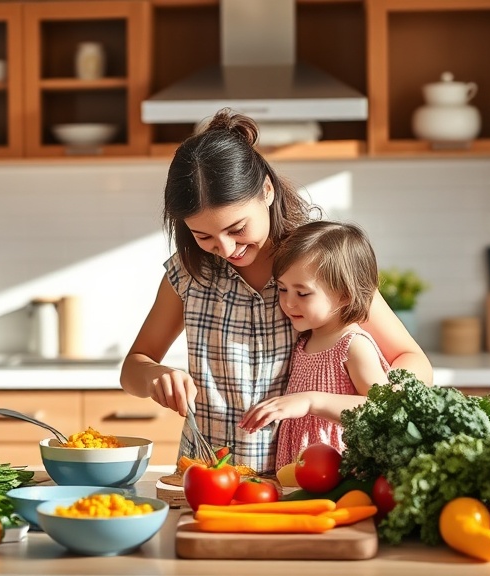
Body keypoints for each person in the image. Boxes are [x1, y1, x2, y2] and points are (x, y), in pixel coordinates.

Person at [119, 109, 431, 474]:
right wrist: (155, 375)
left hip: (305, 481)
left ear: (266, 191)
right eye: (204, 236)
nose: (225, 247)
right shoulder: (189, 273)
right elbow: (133, 368)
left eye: (237, 228)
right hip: (208, 477)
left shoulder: (319, 266)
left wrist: (376, 404)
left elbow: (414, 362)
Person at [237, 220, 389, 470]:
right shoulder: (306, 339)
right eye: (282, 289)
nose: (288, 303)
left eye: (303, 293)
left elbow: (380, 408)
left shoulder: (353, 345)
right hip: (300, 473)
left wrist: (311, 402)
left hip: (339, 473)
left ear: (344, 295)